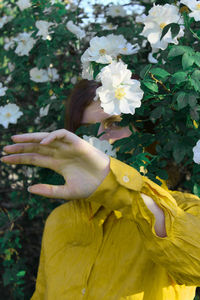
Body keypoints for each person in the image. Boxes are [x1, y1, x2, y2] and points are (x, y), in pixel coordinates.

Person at [1, 79, 200, 300]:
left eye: (113, 123)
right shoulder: (60, 220)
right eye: (84, 130)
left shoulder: (183, 209)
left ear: (144, 132)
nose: (97, 138)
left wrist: (114, 186)